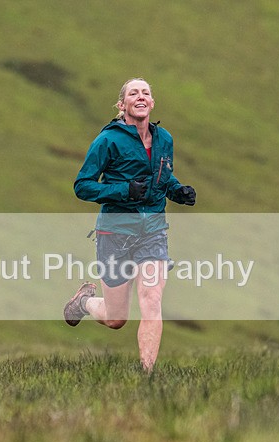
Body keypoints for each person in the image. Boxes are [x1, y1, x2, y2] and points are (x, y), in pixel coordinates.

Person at [64, 78, 196, 373]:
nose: (140, 96)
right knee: (116, 318)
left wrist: (178, 191)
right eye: (133, 93)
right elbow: (82, 186)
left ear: (152, 103)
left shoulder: (165, 140)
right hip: (114, 233)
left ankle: (146, 376)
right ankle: (85, 301)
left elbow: (163, 177)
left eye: (146, 93)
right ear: (122, 105)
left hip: (152, 232)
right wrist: (123, 191)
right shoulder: (108, 140)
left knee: (152, 299)